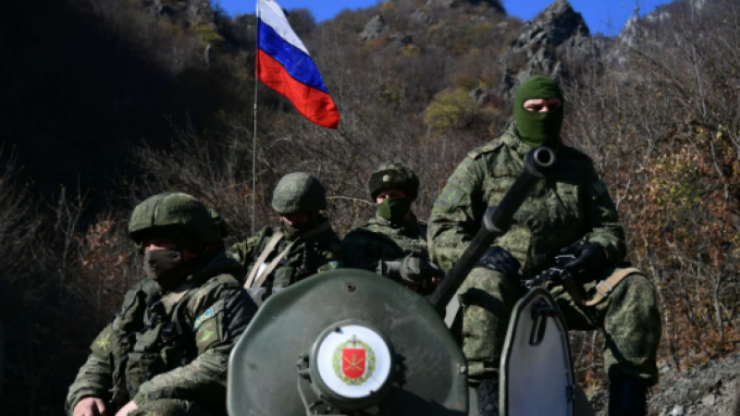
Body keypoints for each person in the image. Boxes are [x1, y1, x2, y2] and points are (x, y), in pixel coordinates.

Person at [428, 75, 661, 416]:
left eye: (553, 108)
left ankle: (628, 406)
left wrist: (595, 251)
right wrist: (480, 254)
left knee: (633, 287)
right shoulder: (483, 162)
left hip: (563, 286)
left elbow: (609, 229)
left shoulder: (578, 168)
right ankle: (487, 401)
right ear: (518, 110)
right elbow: (440, 230)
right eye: (534, 108)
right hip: (501, 287)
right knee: (484, 282)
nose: (544, 114)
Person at [66, 192, 257, 416]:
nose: (152, 252)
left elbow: (221, 363)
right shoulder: (143, 297)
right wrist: (86, 393)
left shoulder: (219, 293)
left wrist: (145, 397)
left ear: (192, 246)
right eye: (147, 245)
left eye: (161, 243)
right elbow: (103, 353)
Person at [231, 172, 343, 304]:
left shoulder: (328, 252)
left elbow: (331, 301)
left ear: (313, 213)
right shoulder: (265, 240)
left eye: (299, 216)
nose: (292, 222)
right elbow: (227, 263)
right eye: (288, 216)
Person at [342, 162, 441, 292]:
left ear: (410, 198)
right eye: (382, 197)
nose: (388, 201)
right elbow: (351, 276)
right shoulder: (360, 236)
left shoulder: (430, 234)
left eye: (394, 195)